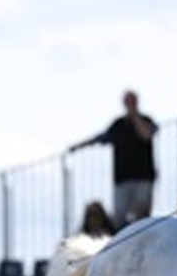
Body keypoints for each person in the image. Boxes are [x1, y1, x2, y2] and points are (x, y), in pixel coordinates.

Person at [68, 90, 158, 231]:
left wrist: (135, 116)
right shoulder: (117, 125)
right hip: (122, 179)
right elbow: (100, 138)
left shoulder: (146, 120)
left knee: (142, 215)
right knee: (120, 217)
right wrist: (78, 146)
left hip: (143, 177)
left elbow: (146, 135)